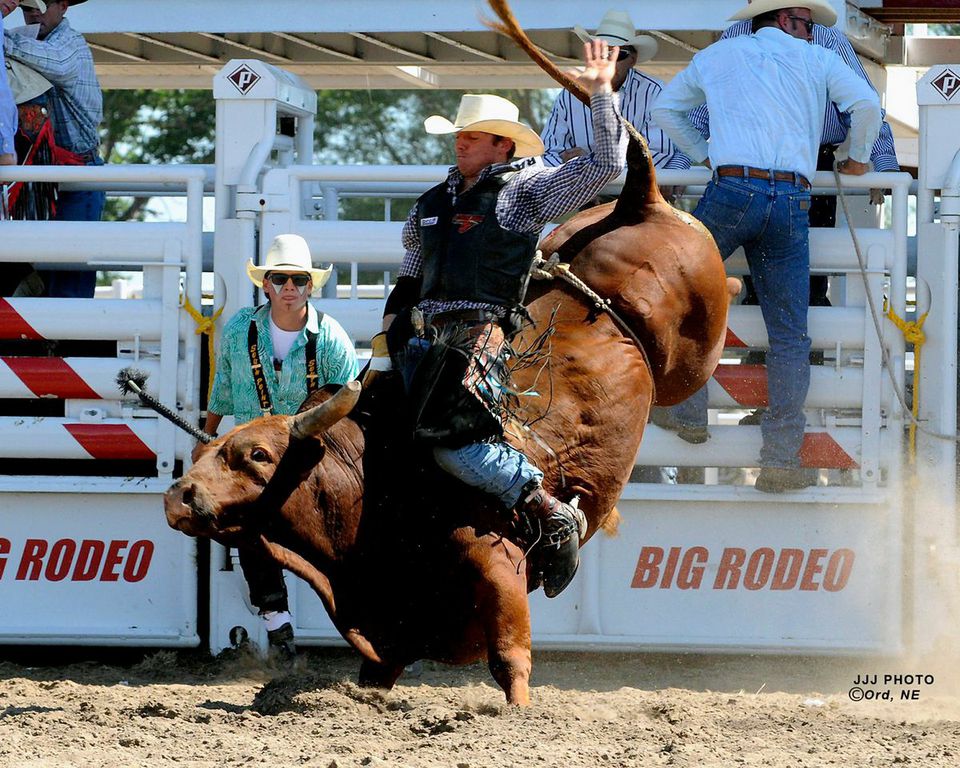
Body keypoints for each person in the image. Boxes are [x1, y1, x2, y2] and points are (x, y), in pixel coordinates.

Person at [366, 39, 627, 599]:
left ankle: (547, 509)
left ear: (502, 145)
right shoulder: (430, 203)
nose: (460, 142)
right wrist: (386, 338)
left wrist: (602, 93)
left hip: (477, 336)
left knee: (451, 445)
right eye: (459, 135)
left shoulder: (522, 194)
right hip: (419, 339)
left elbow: (607, 165)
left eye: (473, 136)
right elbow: (411, 274)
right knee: (380, 440)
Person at [651, 0, 881, 493]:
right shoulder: (818, 60)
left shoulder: (719, 55)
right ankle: (780, 460)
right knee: (790, 335)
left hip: (731, 190)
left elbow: (664, 110)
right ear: (783, 19)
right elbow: (867, 106)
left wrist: (704, 154)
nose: (812, 33)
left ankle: (686, 410)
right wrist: (857, 158)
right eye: (807, 24)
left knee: (675, 289)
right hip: (792, 199)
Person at [692, 0, 900, 363]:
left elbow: (694, 113)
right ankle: (789, 385)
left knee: (793, 280)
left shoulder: (743, 39)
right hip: (797, 171)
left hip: (763, 169)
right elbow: (865, 105)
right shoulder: (817, 39)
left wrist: (880, 162)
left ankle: (764, 379)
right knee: (787, 280)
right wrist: (868, 162)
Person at [194, 234, 360, 659]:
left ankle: (366, 630)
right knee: (246, 524)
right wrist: (207, 437)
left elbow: (349, 406)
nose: (290, 287)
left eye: (298, 279)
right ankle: (278, 625)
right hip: (254, 463)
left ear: (310, 286)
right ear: (266, 284)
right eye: (280, 278)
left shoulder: (331, 338)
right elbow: (223, 386)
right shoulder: (239, 330)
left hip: (311, 464)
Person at [4, 0, 103, 298]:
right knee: (48, 268)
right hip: (42, 177)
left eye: (41, 4)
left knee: (69, 270)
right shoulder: (26, 40)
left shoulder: (70, 44)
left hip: (76, 173)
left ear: (62, 6)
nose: (34, 12)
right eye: (27, 6)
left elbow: (56, 63)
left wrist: (3, 40)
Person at [541, 10, 689, 185]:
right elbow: (548, 153)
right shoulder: (568, 94)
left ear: (633, 59)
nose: (607, 63)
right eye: (601, 53)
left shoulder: (654, 92)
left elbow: (658, 155)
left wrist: (588, 165)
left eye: (618, 54)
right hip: (582, 190)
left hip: (633, 191)